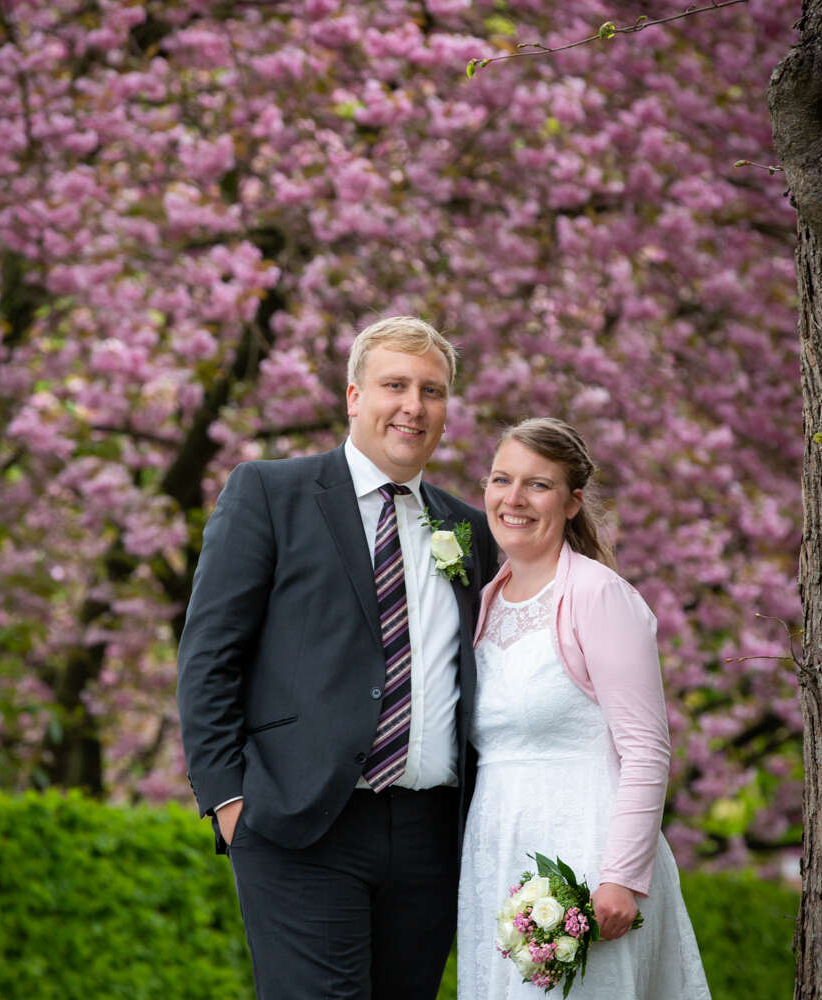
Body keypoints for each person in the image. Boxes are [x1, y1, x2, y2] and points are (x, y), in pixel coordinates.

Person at [176, 316, 498, 1000]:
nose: (414, 404)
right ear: (354, 396)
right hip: (300, 824)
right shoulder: (270, 494)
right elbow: (209, 656)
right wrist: (229, 801)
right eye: (395, 384)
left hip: (433, 838)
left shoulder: (469, 530)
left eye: (432, 391)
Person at [457, 417, 710, 998]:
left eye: (538, 485)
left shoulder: (598, 594)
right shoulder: (484, 602)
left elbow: (647, 749)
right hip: (497, 850)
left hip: (586, 856)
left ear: (572, 503)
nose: (513, 499)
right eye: (501, 479)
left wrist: (621, 877)